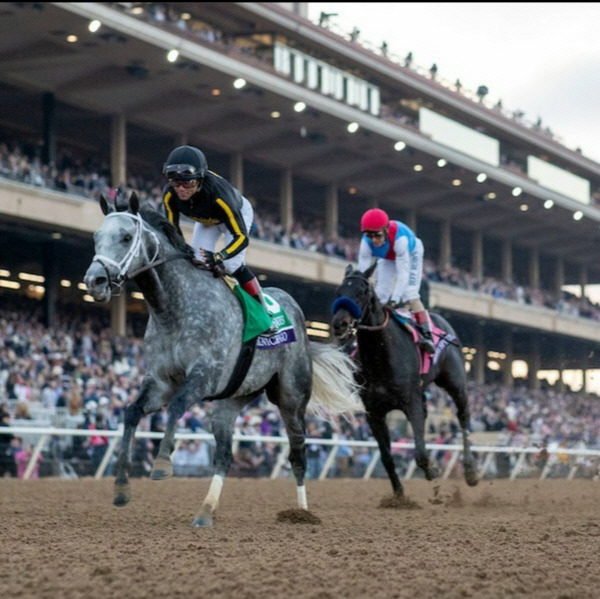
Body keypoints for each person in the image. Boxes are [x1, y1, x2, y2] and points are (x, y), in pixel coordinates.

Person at [161, 145, 274, 323]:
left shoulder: (220, 196)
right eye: (175, 183)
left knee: (231, 265)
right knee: (196, 261)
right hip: (207, 220)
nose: (181, 189)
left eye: (187, 182)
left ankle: (264, 312)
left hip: (234, 215)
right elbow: (172, 231)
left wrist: (221, 255)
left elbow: (241, 238)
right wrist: (183, 250)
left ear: (199, 179)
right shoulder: (169, 195)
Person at [357, 207, 435, 354]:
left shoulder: (400, 240)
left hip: (411, 253)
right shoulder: (365, 244)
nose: (374, 240)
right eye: (369, 236)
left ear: (386, 230)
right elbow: (363, 274)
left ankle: (427, 335)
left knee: (409, 294)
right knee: (380, 295)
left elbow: (403, 273)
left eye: (377, 236)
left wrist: (395, 300)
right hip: (388, 257)